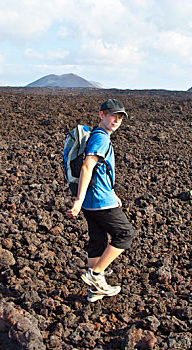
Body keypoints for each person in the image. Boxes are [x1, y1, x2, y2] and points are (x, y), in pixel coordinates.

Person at [66, 98, 134, 300]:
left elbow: (99, 171)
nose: (116, 120)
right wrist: (78, 200)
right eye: (113, 115)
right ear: (101, 115)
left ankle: (93, 292)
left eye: (120, 117)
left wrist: (110, 194)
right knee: (125, 234)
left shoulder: (96, 135)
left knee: (98, 240)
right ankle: (95, 275)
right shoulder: (101, 138)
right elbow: (88, 166)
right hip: (97, 200)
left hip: (92, 199)